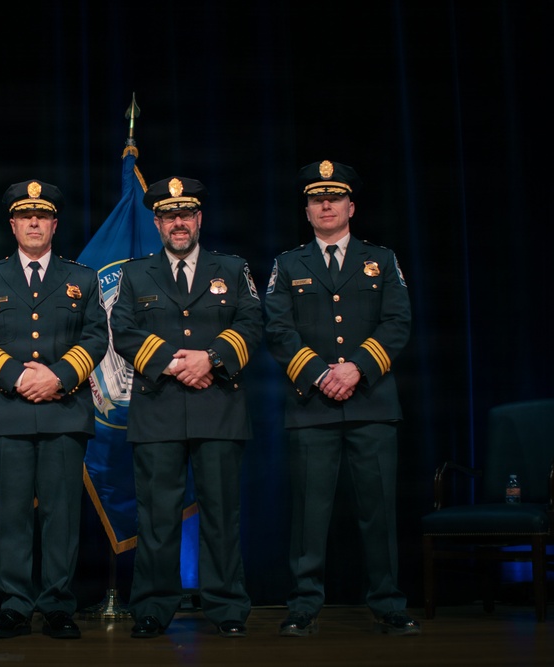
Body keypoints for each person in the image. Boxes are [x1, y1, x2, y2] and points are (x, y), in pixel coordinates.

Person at [264, 160, 419, 636]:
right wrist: (318, 373)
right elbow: (277, 328)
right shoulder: (288, 264)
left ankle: (389, 601)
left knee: (379, 512)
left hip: (372, 402)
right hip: (312, 407)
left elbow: (397, 323)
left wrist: (357, 368)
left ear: (351, 205)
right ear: (307, 210)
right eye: (316, 198)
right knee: (310, 514)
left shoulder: (382, 259)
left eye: (334, 197)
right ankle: (304, 604)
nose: (325, 205)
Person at [109, 176, 263, 639]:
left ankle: (227, 607)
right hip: (158, 407)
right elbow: (123, 328)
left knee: (221, 514)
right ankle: (154, 608)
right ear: (157, 222)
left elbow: (252, 321)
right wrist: (175, 365)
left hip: (218, 405)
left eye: (186, 214)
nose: (179, 222)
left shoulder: (232, 269)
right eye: (169, 215)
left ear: (199, 219)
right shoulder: (136, 275)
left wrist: (210, 359)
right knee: (156, 517)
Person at [0, 180, 108, 640]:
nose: (34, 223)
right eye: (26, 216)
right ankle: (15, 605)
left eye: (42, 216)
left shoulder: (82, 278)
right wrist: (17, 376)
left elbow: (97, 337)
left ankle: (58, 605)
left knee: (61, 515)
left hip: (64, 410)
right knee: (11, 514)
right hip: (8, 410)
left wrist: (58, 377)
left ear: (54, 224)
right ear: (13, 224)